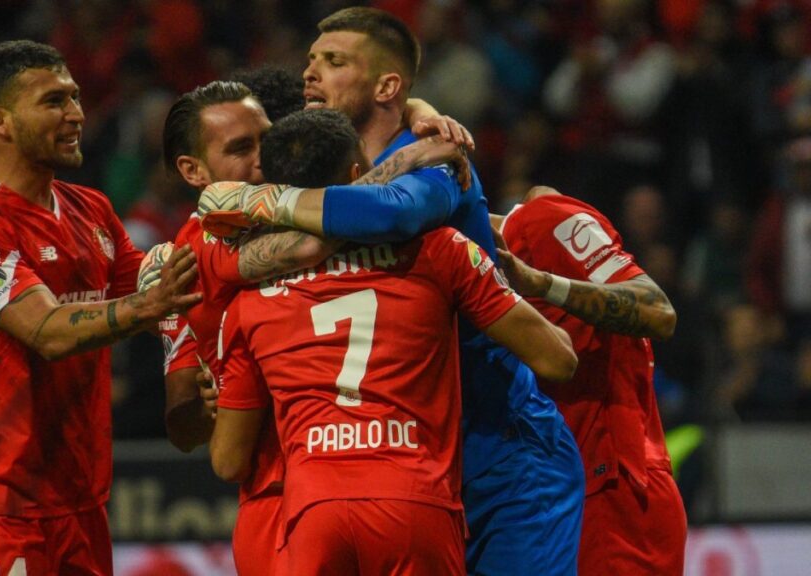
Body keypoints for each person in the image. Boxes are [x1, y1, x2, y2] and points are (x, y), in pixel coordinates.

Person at [199, 7, 585, 574]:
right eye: (310, 60)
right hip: (404, 460)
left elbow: (393, 213)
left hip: (500, 447)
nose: (311, 74)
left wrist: (262, 203)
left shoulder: (436, 165)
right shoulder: (339, 165)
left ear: (387, 86)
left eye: (333, 62)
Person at [152, 78, 471, 576]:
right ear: (193, 170)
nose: (264, 158)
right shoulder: (201, 245)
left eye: (267, 136)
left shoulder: (288, 209)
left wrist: (413, 109)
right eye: (241, 149)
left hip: (364, 480)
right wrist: (406, 161)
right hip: (276, 497)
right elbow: (316, 241)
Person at [0, 40, 199, 575]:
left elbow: (164, 290)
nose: (76, 115)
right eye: (53, 101)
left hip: (80, 500)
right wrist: (148, 305)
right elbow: (45, 328)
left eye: (74, 98)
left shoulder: (90, 209)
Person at [495, 185, 685, 575]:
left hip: (616, 491)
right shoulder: (456, 257)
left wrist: (544, 283)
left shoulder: (542, 219)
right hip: (557, 493)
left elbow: (658, 311)